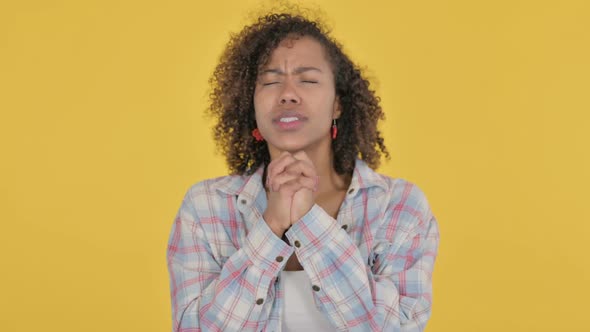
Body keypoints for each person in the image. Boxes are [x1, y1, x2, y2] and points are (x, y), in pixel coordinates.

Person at [167, 11, 439, 332]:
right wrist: (271, 226)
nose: (287, 93)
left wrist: (309, 223)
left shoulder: (399, 206)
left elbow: (394, 327)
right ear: (251, 106)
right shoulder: (206, 206)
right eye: (270, 81)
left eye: (307, 79)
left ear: (338, 103)